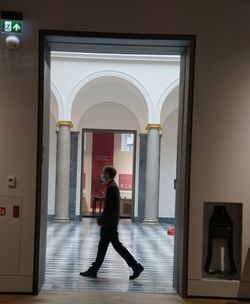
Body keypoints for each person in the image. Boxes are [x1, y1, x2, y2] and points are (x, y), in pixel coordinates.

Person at [80, 165, 144, 280]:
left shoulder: (112, 188)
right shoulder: (112, 186)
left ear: (108, 174)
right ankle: (94, 270)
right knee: (105, 247)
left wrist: (102, 220)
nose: (102, 174)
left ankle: (136, 267)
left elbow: (109, 208)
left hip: (109, 224)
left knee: (111, 247)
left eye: (103, 172)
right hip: (110, 223)